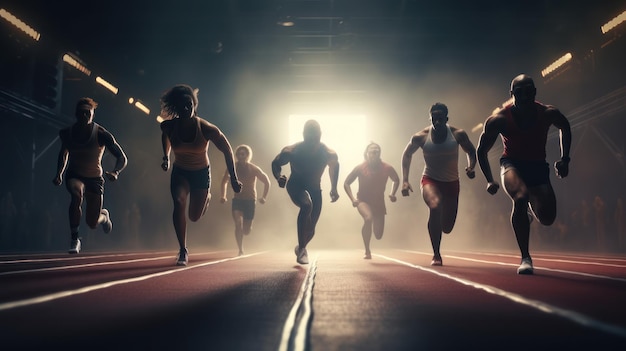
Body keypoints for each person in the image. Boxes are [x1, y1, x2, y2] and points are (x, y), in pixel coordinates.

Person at [477, 74, 571, 274]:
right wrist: (489, 179)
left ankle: (525, 215)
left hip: (538, 167)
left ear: (535, 92)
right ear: (512, 95)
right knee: (520, 198)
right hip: (512, 164)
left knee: (547, 218)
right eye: (519, 93)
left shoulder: (547, 113)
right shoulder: (499, 119)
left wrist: (565, 159)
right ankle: (525, 258)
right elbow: (481, 150)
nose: (525, 97)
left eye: (529, 92)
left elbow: (565, 126)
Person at [160, 84, 242, 266]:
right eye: (181, 106)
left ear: (194, 105)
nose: (186, 108)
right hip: (180, 172)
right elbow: (165, 136)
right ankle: (183, 249)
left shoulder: (206, 128)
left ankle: (207, 197)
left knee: (194, 216)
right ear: (176, 108)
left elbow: (227, 149)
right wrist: (166, 156)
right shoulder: (168, 126)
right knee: (179, 201)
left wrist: (234, 179)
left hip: (200, 174)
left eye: (189, 104)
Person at [401, 102, 477, 266]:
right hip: (430, 180)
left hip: (451, 183)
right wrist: (405, 181)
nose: (437, 122)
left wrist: (471, 167)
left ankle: (439, 233)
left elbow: (471, 151)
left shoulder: (458, 134)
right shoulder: (420, 137)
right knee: (435, 206)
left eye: (440, 119)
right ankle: (436, 254)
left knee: (447, 227)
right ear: (430, 118)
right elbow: (407, 154)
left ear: (446, 119)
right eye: (434, 119)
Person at [52, 97, 128, 254]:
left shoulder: (101, 134)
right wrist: (59, 173)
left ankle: (104, 217)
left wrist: (115, 171)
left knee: (92, 223)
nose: (85, 116)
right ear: (76, 114)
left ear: (93, 114)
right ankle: (75, 239)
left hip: (94, 178)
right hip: (75, 174)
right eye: (82, 113)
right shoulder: (67, 133)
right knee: (77, 194)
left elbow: (121, 157)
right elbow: (63, 154)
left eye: (88, 113)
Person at [271, 119, 339, 264]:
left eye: (316, 136)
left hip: (315, 189)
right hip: (296, 186)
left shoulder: (329, 153)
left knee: (311, 230)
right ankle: (302, 250)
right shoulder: (292, 151)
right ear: (303, 135)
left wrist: (334, 187)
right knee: (306, 205)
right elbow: (276, 163)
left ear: (320, 135)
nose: (313, 140)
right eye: (309, 136)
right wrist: (278, 177)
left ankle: (301, 245)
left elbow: (334, 167)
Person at [344, 142, 400, 259]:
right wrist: (352, 199)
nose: (374, 153)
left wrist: (392, 193)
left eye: (377, 151)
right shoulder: (360, 168)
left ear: (379, 154)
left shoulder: (387, 167)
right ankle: (367, 250)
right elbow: (346, 183)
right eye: (372, 151)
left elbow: (396, 179)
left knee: (378, 235)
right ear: (367, 154)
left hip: (379, 204)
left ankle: (373, 228)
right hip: (363, 201)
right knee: (368, 218)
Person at [220, 144, 271, 256]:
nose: (240, 156)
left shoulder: (254, 169)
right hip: (237, 200)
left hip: (250, 201)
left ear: (247, 155)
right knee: (238, 224)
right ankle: (240, 249)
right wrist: (223, 196)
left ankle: (245, 231)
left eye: (243, 154)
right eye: (238, 154)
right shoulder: (232, 168)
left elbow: (267, 181)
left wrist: (264, 197)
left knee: (246, 230)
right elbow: (224, 181)